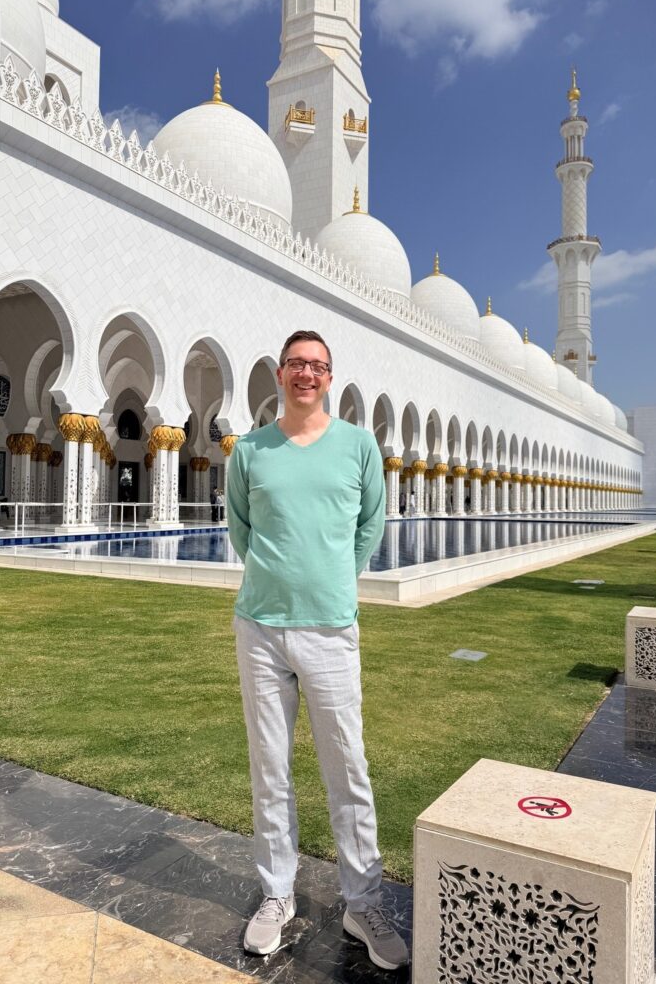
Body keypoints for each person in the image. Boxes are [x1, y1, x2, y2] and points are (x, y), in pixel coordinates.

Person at [226, 330, 409, 970]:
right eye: (297, 364)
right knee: (269, 768)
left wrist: (333, 577)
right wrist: (277, 578)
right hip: (261, 628)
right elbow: (240, 529)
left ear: (330, 377)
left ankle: (363, 902)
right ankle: (277, 894)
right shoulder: (250, 449)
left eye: (318, 366)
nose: (307, 374)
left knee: (347, 767)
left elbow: (372, 525)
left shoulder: (359, 446)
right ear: (281, 373)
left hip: (331, 626)